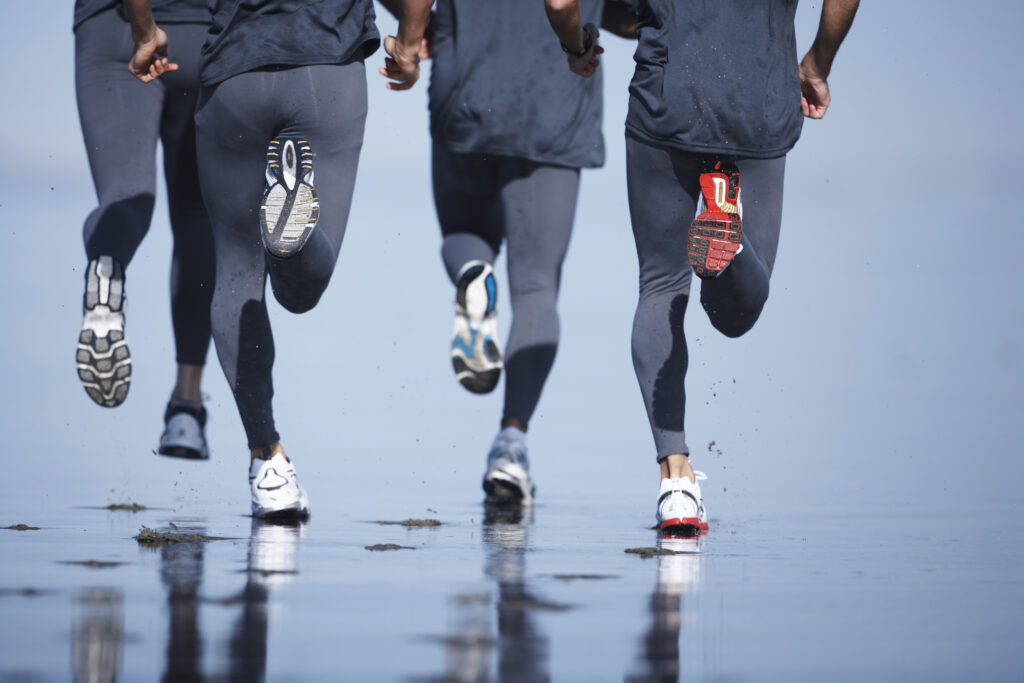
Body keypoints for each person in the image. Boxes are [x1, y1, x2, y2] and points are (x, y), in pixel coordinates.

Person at [546, 0, 860, 531]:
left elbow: (559, 2)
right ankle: (729, 247)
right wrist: (818, 64)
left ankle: (676, 484)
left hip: (664, 103)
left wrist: (576, 45)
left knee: (660, 285)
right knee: (736, 314)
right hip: (760, 102)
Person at [124, 0, 431, 517]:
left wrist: (145, 31)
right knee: (300, 290)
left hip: (232, 78)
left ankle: (267, 460)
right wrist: (409, 37)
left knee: (237, 271)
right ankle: (294, 235)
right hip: (326, 73)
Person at [378, 0, 633, 505]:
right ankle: (510, 445)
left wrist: (416, 28)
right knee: (536, 285)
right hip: (554, 99)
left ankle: (473, 272)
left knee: (463, 231)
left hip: (464, 82)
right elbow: (636, 15)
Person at [74, 0, 215, 460]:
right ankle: (186, 409)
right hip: (204, 34)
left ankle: (106, 267)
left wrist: (142, 26)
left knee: (125, 196)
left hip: (113, 27)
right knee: (197, 218)